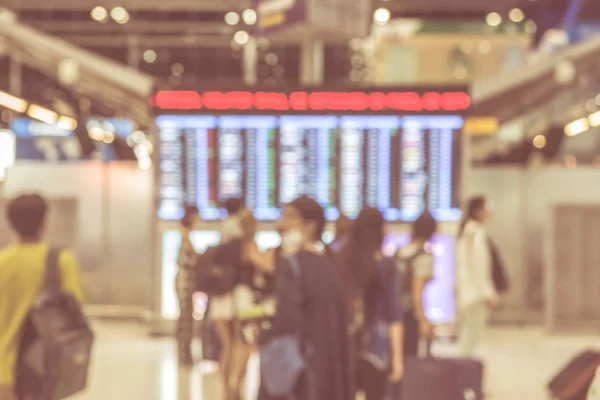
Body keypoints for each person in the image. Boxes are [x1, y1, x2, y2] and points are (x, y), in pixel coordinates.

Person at [258, 196, 354, 400]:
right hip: (328, 365)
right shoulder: (333, 263)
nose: (282, 223)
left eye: (291, 217)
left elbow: (286, 320)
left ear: (310, 226)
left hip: (299, 368)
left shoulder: (292, 265)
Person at [0, 194, 84, 400]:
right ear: (44, 222)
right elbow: (76, 311)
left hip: (3, 368)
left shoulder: (3, 262)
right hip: (44, 368)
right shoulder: (61, 261)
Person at [338, 207, 404, 400]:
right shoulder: (385, 265)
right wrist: (398, 358)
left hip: (345, 344)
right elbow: (393, 314)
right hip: (376, 348)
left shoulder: (340, 260)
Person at [455, 195, 498, 357]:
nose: (490, 212)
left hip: (467, 293)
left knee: (468, 336)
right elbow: (479, 267)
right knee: (470, 338)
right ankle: (463, 373)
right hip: (475, 295)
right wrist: (488, 292)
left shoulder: (466, 232)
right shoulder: (476, 234)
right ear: (478, 211)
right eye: (487, 208)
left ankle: (462, 371)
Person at [395, 210, 437, 358]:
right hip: (409, 315)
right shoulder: (424, 256)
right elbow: (417, 291)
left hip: (393, 312)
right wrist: (423, 319)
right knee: (410, 357)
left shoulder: (400, 252)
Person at [175, 204, 199, 366]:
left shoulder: (187, 235)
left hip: (187, 279)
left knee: (187, 317)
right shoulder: (184, 235)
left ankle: (185, 352)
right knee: (185, 317)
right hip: (184, 280)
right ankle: (184, 354)